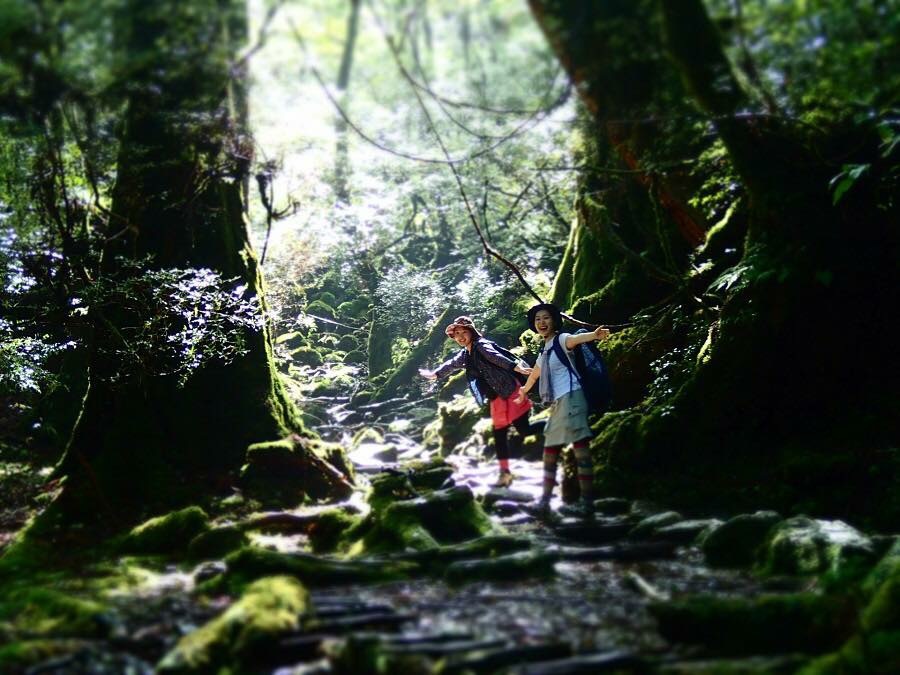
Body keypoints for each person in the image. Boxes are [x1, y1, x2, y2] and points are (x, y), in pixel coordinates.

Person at [419, 316, 543, 488]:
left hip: (509, 391)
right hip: (496, 397)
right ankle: (505, 473)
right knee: (500, 434)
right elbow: (452, 364)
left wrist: (518, 367)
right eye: (457, 334)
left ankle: (555, 424)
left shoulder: (481, 345)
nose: (460, 336)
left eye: (464, 332)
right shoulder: (466, 353)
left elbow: (496, 357)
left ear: (472, 332)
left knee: (523, 429)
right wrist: (436, 374)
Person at [514, 303, 610, 517]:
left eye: (546, 318)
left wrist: (594, 335)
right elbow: (535, 374)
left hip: (573, 397)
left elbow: (576, 340)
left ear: (554, 320)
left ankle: (585, 503)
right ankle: (547, 502)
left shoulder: (561, 339)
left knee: (578, 450)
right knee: (553, 450)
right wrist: (524, 391)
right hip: (559, 403)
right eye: (538, 319)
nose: (541, 322)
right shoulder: (545, 350)